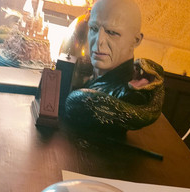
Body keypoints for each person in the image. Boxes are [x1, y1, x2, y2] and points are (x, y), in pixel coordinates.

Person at [64, 0, 164, 134]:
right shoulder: (87, 74)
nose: (98, 41)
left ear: (136, 40)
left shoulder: (131, 96)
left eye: (112, 32)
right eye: (93, 29)